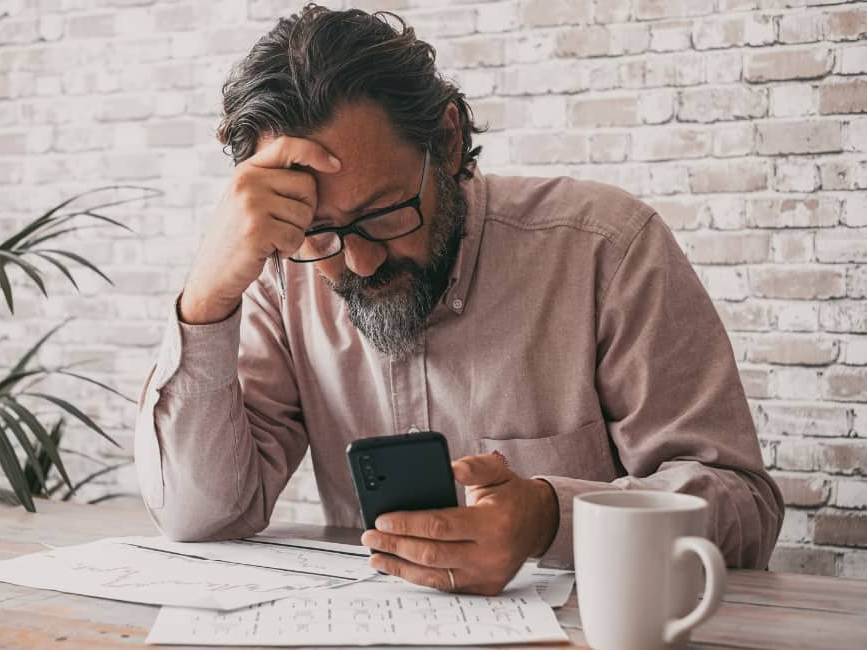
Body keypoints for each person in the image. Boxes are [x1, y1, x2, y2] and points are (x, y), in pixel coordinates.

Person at [134, 4, 783, 596]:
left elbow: (744, 509)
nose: (357, 263)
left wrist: (551, 517)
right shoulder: (286, 276)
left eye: (385, 214)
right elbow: (201, 517)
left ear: (445, 142)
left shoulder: (604, 249)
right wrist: (209, 296)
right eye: (319, 232)